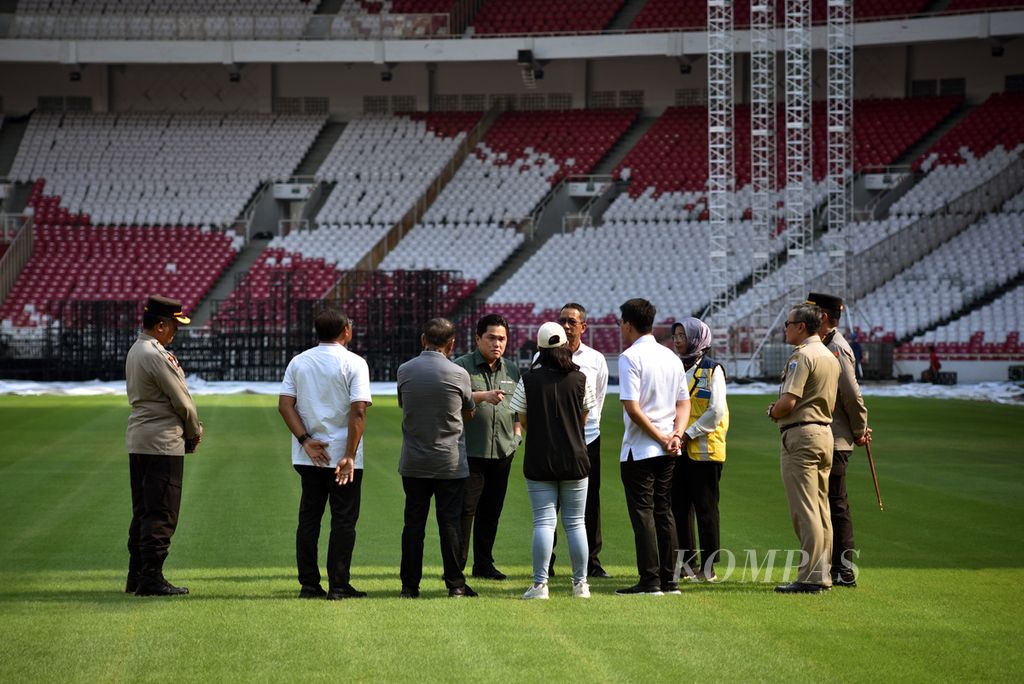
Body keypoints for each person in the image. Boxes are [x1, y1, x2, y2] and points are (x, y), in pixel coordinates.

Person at [279, 308, 371, 600]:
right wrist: (349, 455)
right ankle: (339, 585)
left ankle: (309, 584)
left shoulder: (299, 361)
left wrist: (305, 440)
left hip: (309, 454)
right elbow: (358, 410)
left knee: (309, 518)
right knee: (343, 520)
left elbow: (285, 405)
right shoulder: (355, 362)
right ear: (346, 330)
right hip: (343, 455)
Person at [509, 322, 597, 599]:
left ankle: (539, 585)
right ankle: (580, 584)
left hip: (539, 458)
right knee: (576, 523)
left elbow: (521, 420)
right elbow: (584, 417)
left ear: (539, 348)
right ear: (564, 347)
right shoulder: (581, 378)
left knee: (544, 523)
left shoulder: (527, 379)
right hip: (576, 458)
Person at [125, 295, 203, 597]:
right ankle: (152, 579)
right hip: (162, 442)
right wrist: (193, 431)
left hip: (141, 438)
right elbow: (182, 401)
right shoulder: (155, 354)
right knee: (161, 512)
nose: (174, 333)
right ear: (160, 325)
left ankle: (138, 575)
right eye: (173, 326)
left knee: (144, 510)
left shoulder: (137, 349)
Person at [397, 318, 478, 598]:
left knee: (413, 525)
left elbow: (404, 405)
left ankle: (409, 586)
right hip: (449, 461)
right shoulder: (458, 374)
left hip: (414, 461)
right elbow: (468, 410)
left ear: (423, 339)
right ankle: (455, 584)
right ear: (452, 344)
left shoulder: (404, 370)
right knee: (450, 524)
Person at [616, 298, 690, 595]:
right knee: (664, 512)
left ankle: (649, 580)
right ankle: (669, 580)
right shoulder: (671, 356)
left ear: (628, 324)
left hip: (641, 448)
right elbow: (683, 402)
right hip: (669, 448)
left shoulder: (630, 357)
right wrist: (676, 434)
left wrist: (661, 436)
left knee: (643, 514)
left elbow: (632, 408)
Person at [767, 302, 840, 594]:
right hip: (824, 433)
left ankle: (810, 577)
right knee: (821, 508)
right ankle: (822, 574)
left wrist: (773, 411)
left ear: (800, 326)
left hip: (801, 434)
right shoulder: (829, 355)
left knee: (805, 510)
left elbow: (789, 401)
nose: (785, 329)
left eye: (788, 324)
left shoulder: (802, 356)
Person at [806, 292, 871, 587]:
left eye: (814, 313)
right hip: (826, 437)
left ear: (825, 318)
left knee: (835, 504)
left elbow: (851, 393)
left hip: (836, 439)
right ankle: (831, 569)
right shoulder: (822, 345)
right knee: (827, 504)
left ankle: (843, 570)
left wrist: (859, 430)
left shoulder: (837, 348)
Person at [453, 313, 522, 580]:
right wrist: (481, 397)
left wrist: (516, 437)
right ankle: (456, 568)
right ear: (478, 338)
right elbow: (452, 402)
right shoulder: (461, 368)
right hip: (471, 452)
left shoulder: (513, 370)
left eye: (502, 338)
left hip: (504, 452)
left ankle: (484, 564)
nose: (497, 343)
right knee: (465, 512)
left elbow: (518, 410)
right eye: (491, 337)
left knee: (491, 512)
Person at [670, 317, 729, 583]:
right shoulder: (674, 368)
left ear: (697, 338)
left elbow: (715, 411)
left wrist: (687, 434)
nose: (678, 340)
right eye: (676, 335)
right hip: (678, 451)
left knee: (706, 509)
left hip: (705, 453)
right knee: (679, 509)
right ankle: (687, 563)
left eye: (682, 335)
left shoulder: (712, 369)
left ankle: (708, 566)